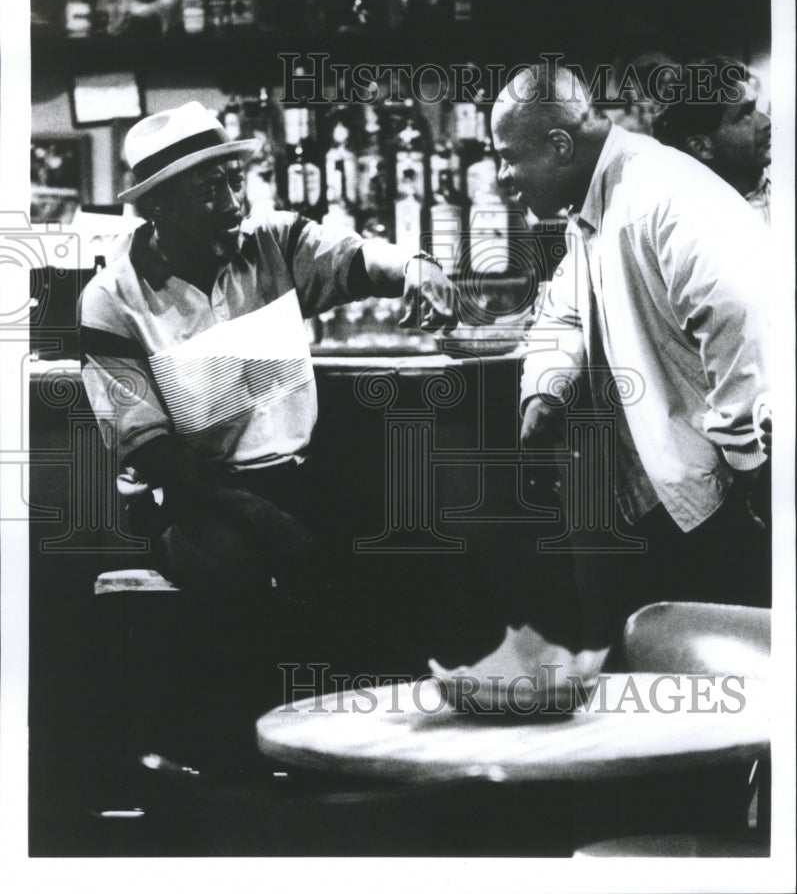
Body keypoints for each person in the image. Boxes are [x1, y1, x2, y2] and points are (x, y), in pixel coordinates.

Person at [78, 101, 458, 766]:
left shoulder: (273, 244)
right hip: (192, 497)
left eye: (235, 182)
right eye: (208, 191)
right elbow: (156, 452)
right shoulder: (110, 299)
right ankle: (234, 772)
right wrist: (263, 518)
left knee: (409, 562)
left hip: (294, 478)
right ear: (156, 209)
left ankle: (365, 767)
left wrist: (416, 265)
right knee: (237, 583)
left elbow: (357, 256)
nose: (231, 204)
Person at [491, 62, 770, 656]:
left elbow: (743, 321)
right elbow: (563, 307)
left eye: (510, 157)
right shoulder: (597, 196)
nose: (503, 176)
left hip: (715, 500)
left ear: (560, 145)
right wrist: (545, 387)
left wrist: (748, 467)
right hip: (657, 492)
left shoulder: (658, 193)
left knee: (715, 690)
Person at [654, 56, 771, 225]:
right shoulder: (687, 223)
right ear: (701, 147)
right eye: (745, 114)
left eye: (755, 107)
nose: (767, 122)